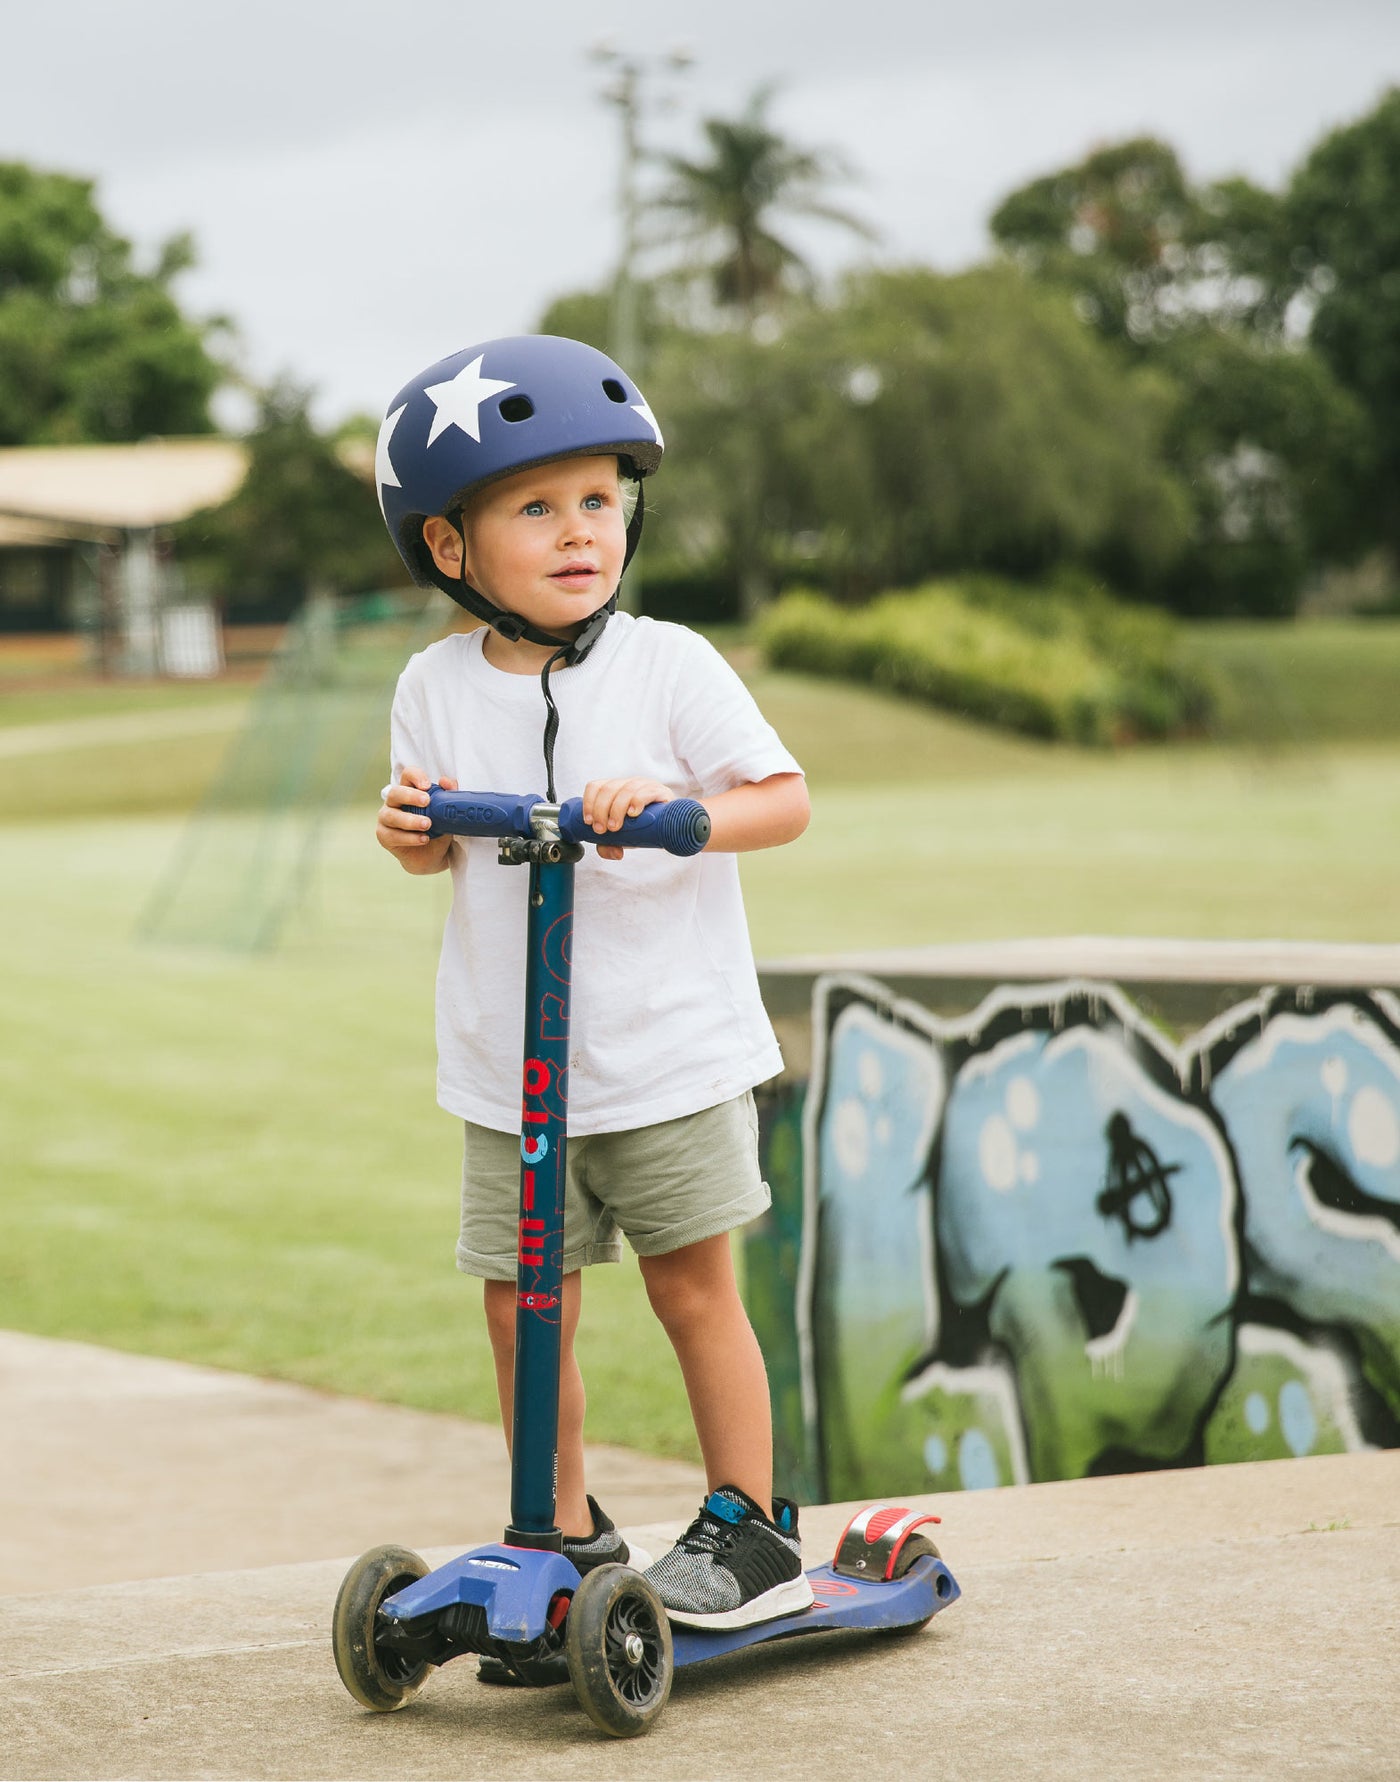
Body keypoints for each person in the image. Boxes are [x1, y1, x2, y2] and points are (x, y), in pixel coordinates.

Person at [372, 335, 813, 1647]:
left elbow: (780, 800)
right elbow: (424, 833)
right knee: (522, 1299)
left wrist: (677, 813)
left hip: (664, 1054)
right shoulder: (433, 683)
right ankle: (558, 1531)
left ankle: (754, 1527)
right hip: (514, 1070)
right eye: (535, 507)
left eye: (599, 501)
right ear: (452, 549)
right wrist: (410, 832)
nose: (579, 531)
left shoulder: (669, 665)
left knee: (692, 1286)